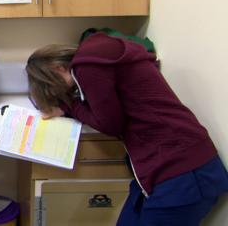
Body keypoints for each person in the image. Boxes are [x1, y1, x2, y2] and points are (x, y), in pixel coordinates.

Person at [25, 32, 228, 226]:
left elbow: (110, 124)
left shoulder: (87, 67)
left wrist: (68, 107)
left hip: (183, 174)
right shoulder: (100, 56)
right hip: (169, 167)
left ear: (58, 68)